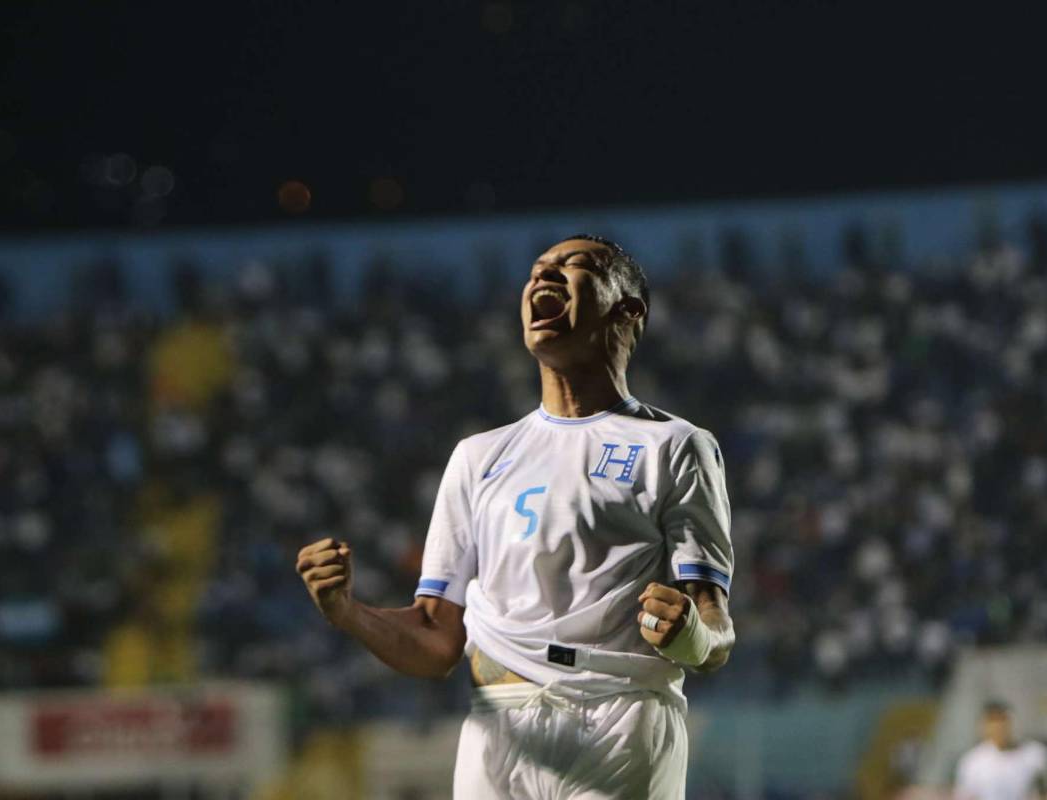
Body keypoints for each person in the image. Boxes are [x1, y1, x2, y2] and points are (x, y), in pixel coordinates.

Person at [296, 235, 735, 799]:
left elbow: (714, 623)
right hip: (497, 726)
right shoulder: (478, 457)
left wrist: (691, 639)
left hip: (619, 719)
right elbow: (435, 642)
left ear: (629, 310)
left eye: (574, 266)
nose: (543, 277)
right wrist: (346, 612)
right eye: (537, 270)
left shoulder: (675, 445)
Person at [954, 700, 1047, 800]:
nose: (998, 727)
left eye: (1002, 719)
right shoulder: (972, 761)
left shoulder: (1037, 755)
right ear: (984, 726)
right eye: (992, 721)